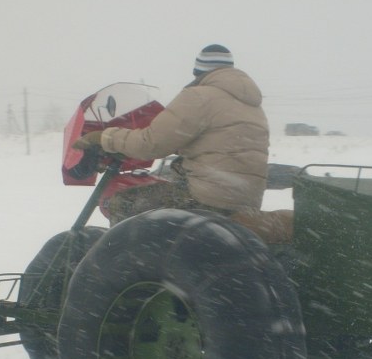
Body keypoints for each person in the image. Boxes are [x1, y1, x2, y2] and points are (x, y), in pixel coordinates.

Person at [72, 45, 270, 225]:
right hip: (246, 203)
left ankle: (125, 264)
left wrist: (103, 138)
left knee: (123, 202)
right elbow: (213, 143)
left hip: (207, 199)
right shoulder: (253, 106)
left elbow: (150, 144)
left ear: (198, 72)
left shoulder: (200, 96)